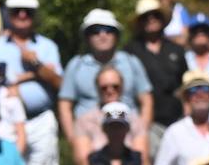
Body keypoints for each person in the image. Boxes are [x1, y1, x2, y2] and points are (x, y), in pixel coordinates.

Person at [0, 0, 63, 165]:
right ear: (8, 15)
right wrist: (32, 76)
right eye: (16, 12)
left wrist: (35, 65)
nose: (22, 15)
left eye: (27, 12)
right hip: (7, 121)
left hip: (41, 119)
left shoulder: (47, 46)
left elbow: (59, 82)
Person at [59, 9, 154, 146]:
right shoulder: (76, 65)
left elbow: (146, 100)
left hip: (129, 135)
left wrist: (141, 133)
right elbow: (65, 104)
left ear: (116, 35)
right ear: (87, 37)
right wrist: (73, 139)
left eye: (108, 30)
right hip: (89, 136)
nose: (102, 35)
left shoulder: (131, 62)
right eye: (95, 31)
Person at [126, 0, 190, 142]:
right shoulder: (130, 51)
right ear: (139, 22)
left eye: (155, 15)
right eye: (145, 17)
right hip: (146, 122)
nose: (151, 19)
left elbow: (186, 83)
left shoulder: (176, 50)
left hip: (177, 120)